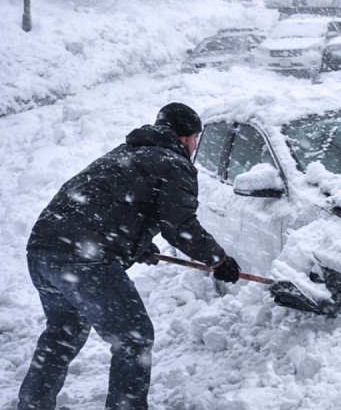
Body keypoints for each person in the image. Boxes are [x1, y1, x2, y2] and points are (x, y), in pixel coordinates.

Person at [19, 103, 241, 410]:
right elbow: (179, 226)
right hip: (85, 259)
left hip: (43, 250)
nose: (194, 146)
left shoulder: (124, 153)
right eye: (194, 138)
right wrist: (218, 260)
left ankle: (33, 405)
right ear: (185, 137)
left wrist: (136, 246)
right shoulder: (173, 163)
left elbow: (109, 204)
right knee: (134, 339)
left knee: (63, 332)